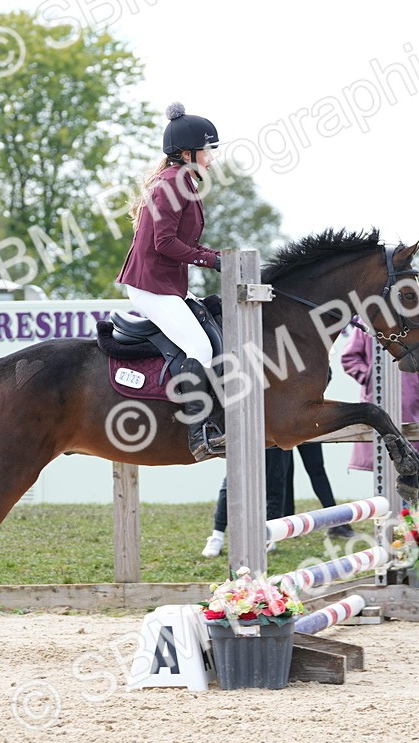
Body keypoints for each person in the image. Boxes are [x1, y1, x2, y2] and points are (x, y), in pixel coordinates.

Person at [116, 102, 224, 462]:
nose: (210, 155)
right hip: (150, 284)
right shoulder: (173, 183)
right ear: (187, 152)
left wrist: (218, 257)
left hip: (166, 282)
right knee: (201, 348)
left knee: (212, 330)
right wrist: (211, 261)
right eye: (207, 148)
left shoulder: (182, 181)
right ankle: (198, 434)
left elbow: (185, 243)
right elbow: (165, 243)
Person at [340, 324, 419, 493]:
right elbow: (349, 357)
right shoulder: (367, 321)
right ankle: (384, 503)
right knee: (381, 455)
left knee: (410, 452)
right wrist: (368, 377)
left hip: (408, 403)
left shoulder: (417, 321)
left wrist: (418, 382)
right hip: (377, 398)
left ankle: (409, 507)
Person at [202, 447, 292, 558]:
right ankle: (217, 536)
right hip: (244, 435)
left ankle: (268, 536)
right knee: (232, 480)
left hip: (277, 435)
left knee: (275, 479)